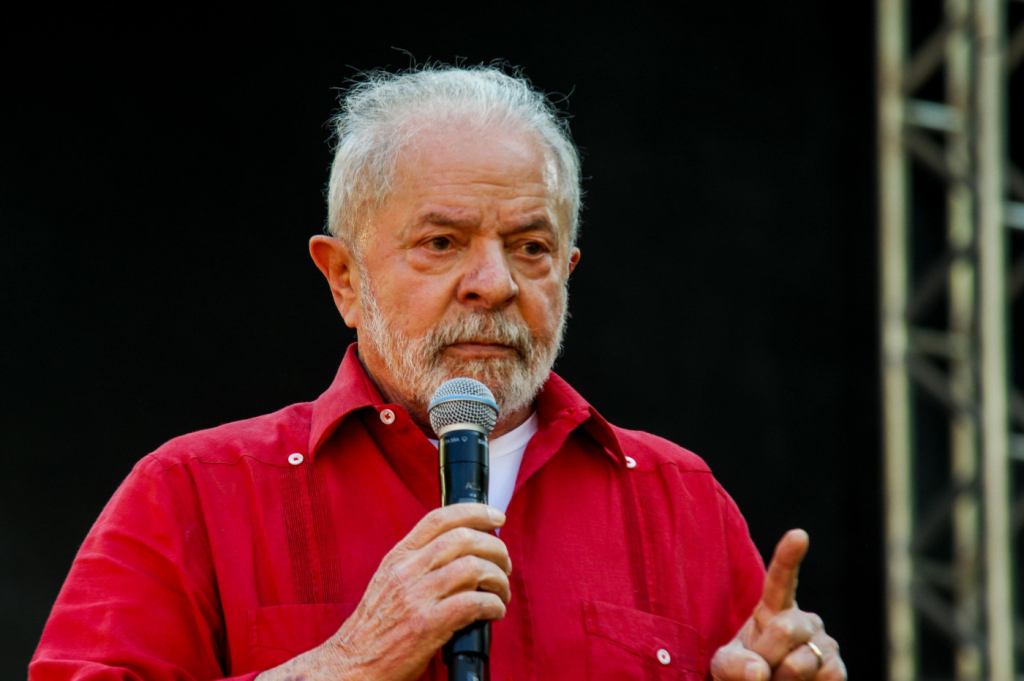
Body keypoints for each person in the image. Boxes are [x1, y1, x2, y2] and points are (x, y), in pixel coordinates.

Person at [31, 65, 846, 681]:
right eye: (442, 242)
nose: (494, 282)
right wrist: (347, 663)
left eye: (530, 247)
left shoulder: (679, 502)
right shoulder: (193, 492)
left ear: (567, 272)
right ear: (344, 279)